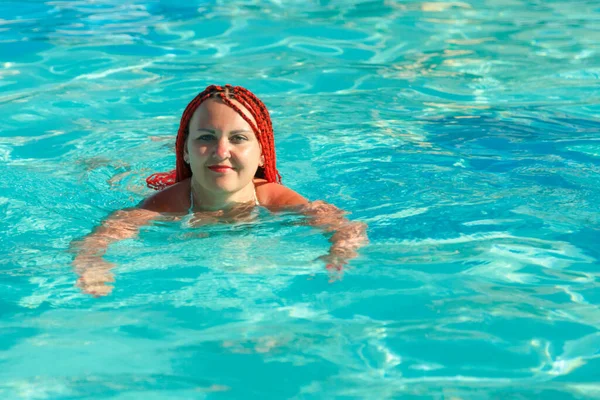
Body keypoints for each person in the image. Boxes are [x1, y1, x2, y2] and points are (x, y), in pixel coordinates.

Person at [72, 84, 367, 296]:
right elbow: (103, 235)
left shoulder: (271, 197)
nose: (221, 151)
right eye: (206, 138)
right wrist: (93, 262)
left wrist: (339, 254)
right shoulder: (171, 203)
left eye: (238, 138)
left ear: (263, 154)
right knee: (127, 179)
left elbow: (344, 226)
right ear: (186, 151)